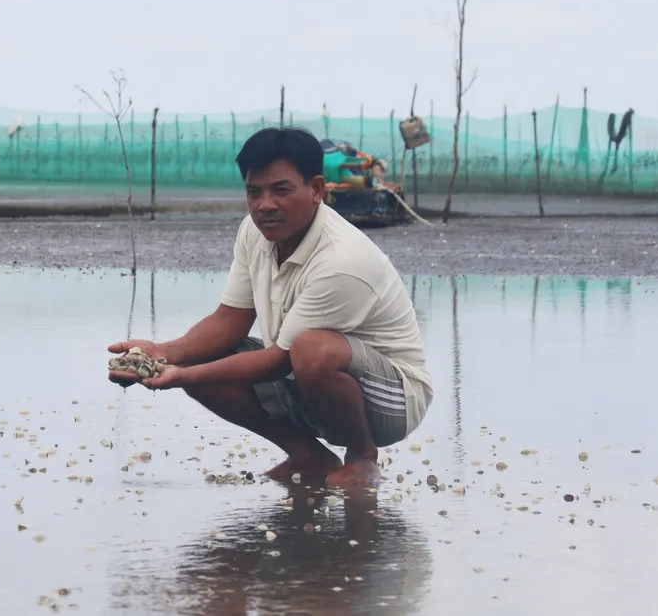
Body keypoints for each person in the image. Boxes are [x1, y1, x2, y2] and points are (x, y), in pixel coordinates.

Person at [107, 126, 432, 487]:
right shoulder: (254, 231)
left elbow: (279, 360)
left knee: (312, 349)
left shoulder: (343, 260)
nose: (265, 205)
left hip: (391, 401)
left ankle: (362, 455)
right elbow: (229, 320)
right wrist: (163, 353)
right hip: (304, 376)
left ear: (317, 190)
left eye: (281, 190)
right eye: (254, 192)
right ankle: (308, 455)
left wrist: (183, 377)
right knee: (200, 354)